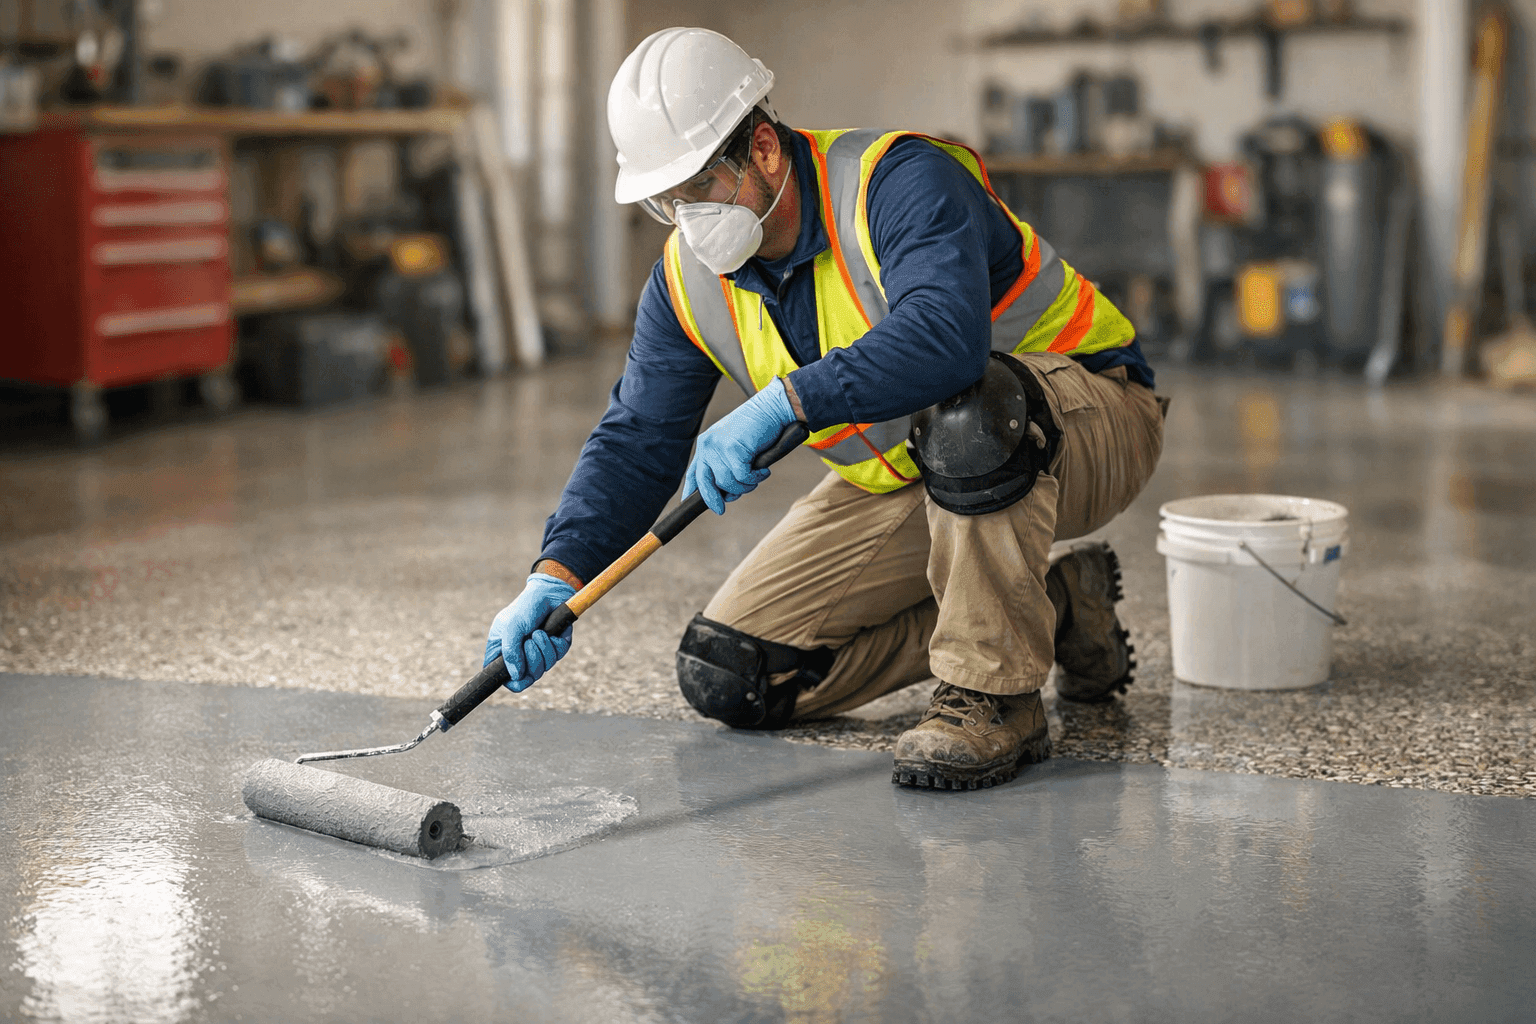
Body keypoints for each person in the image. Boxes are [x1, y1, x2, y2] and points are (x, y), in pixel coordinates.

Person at [484, 27, 1166, 791]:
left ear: (765, 150)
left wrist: (788, 400)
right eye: (665, 200)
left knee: (973, 415)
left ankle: (994, 695)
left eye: (699, 186)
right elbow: (638, 437)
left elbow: (947, 340)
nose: (686, 216)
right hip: (917, 470)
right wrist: (557, 575)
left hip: (1086, 417)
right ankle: (1055, 608)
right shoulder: (684, 283)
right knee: (735, 671)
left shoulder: (900, 181)